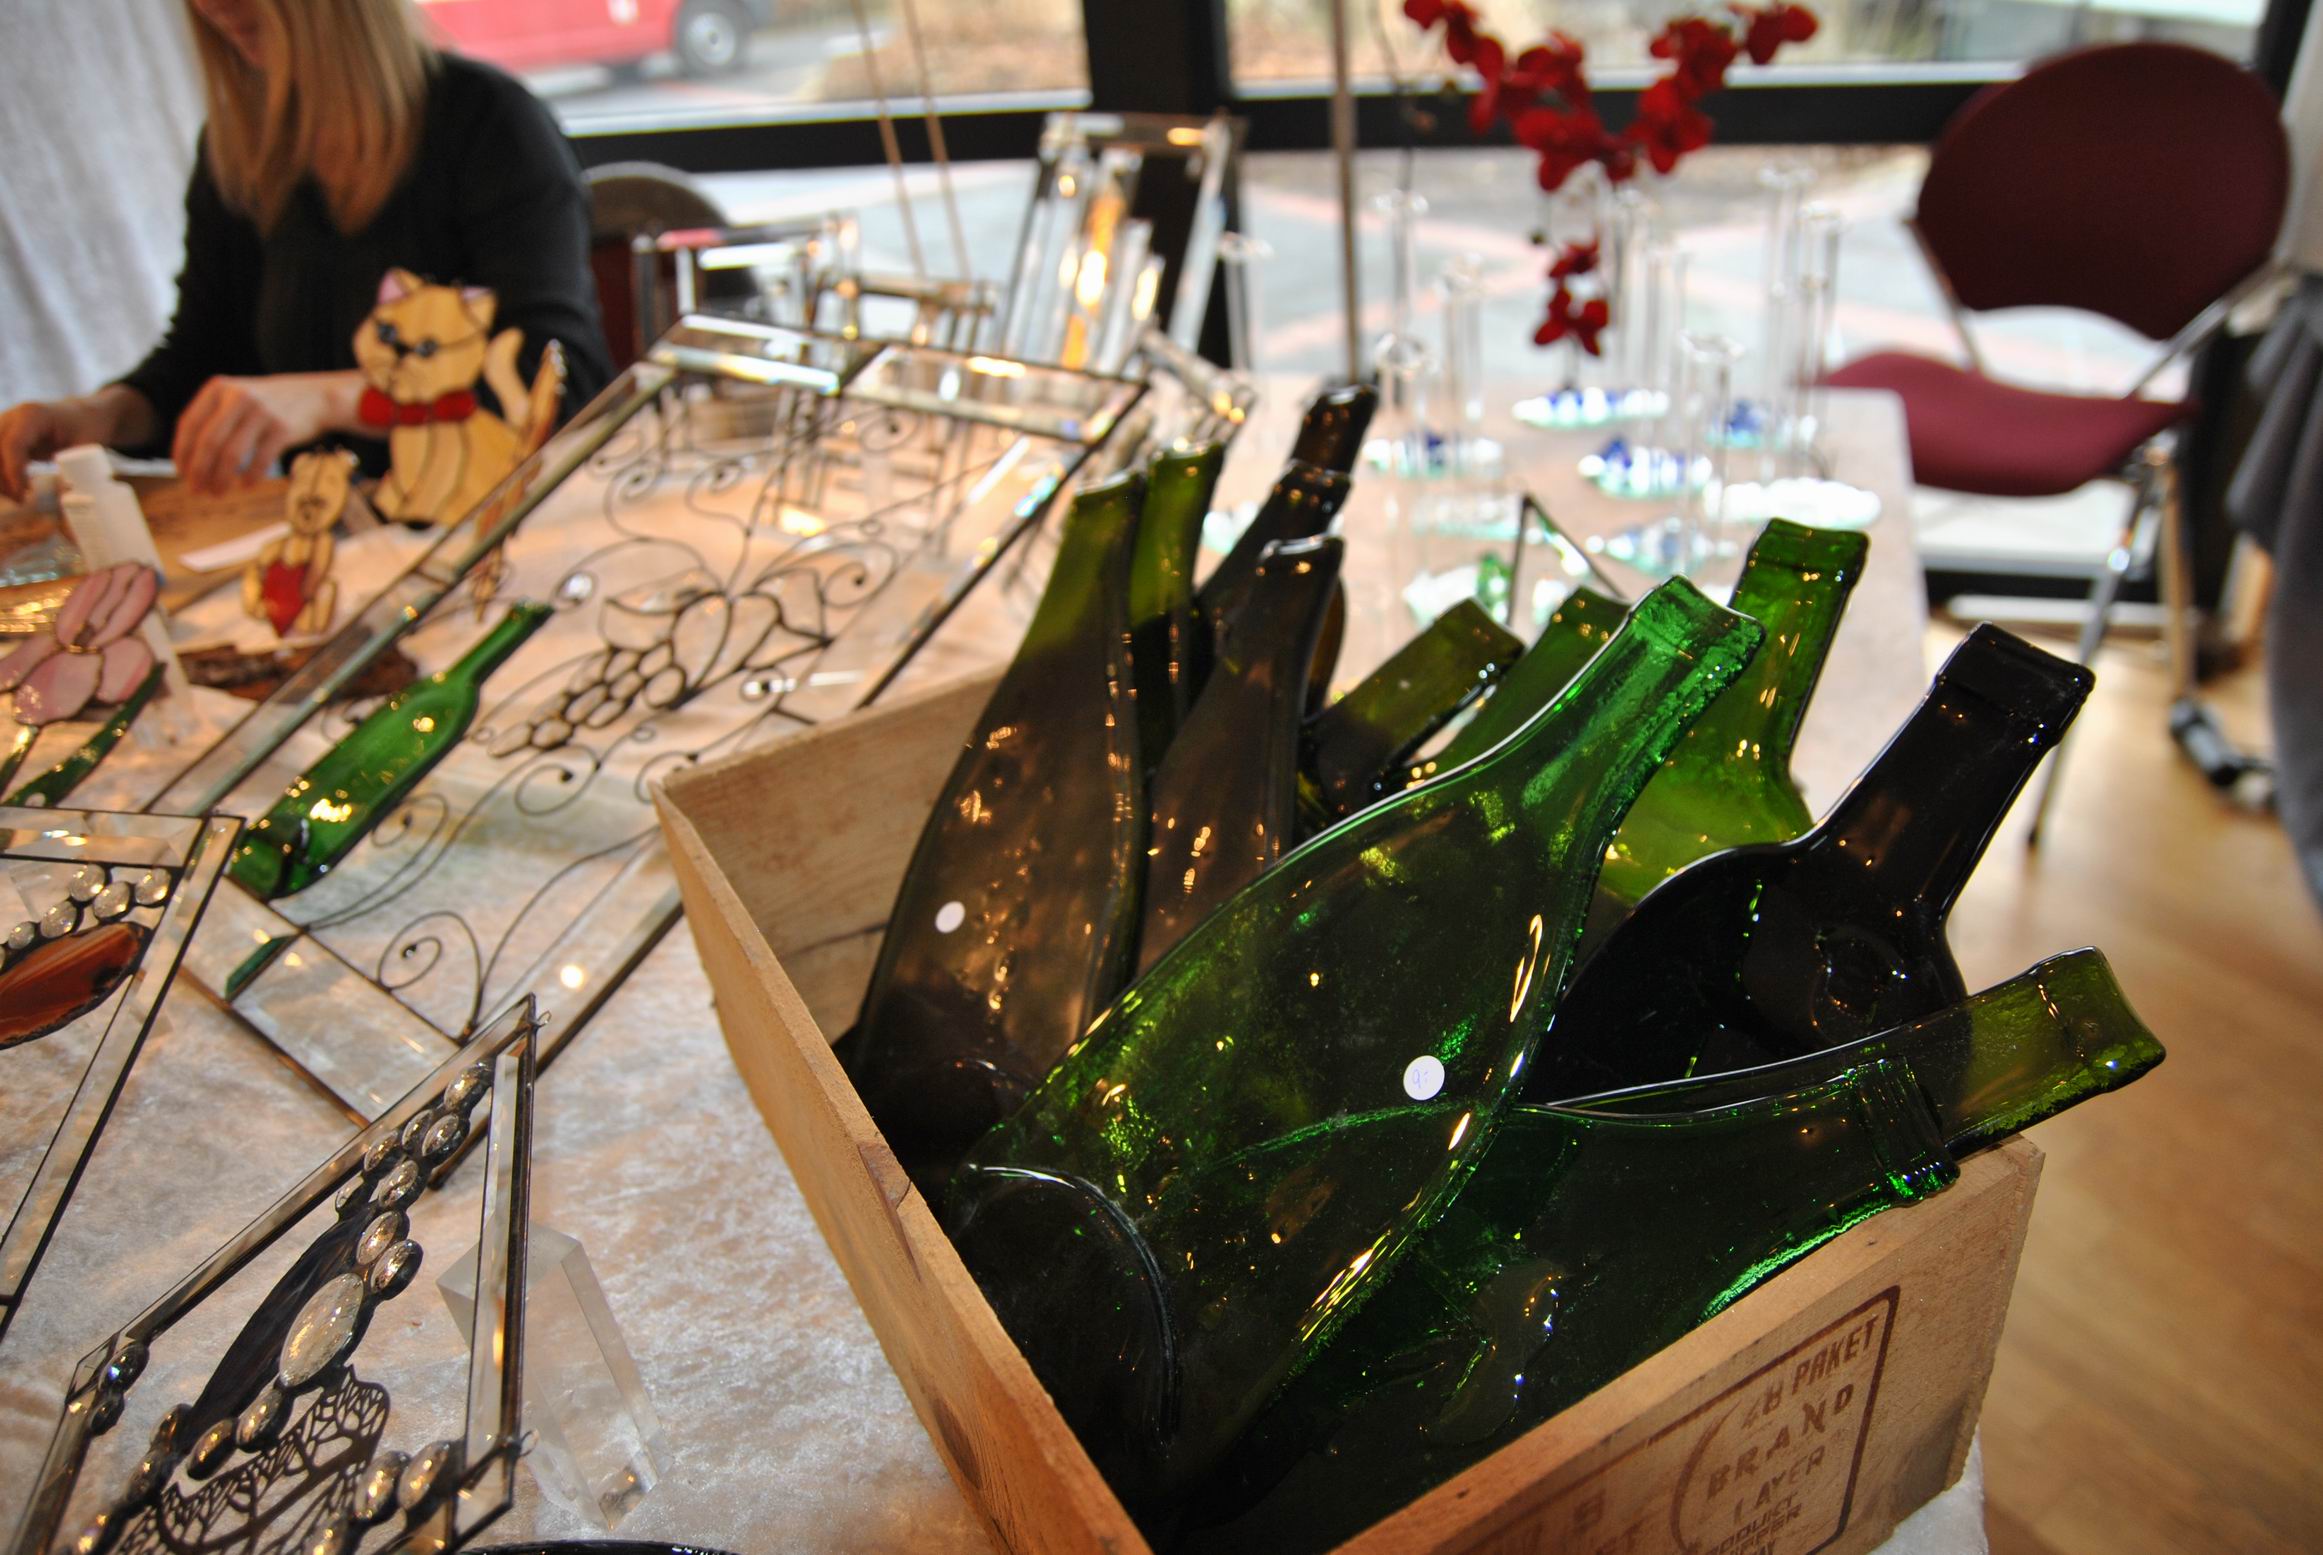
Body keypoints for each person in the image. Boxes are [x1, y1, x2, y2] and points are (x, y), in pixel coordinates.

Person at [0, 0, 612, 502]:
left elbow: (562, 379)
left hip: (513, 521)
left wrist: (331, 398)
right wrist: (98, 417)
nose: (210, 5)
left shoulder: (490, 123)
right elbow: (201, 360)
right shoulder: (241, 151)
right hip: (351, 538)